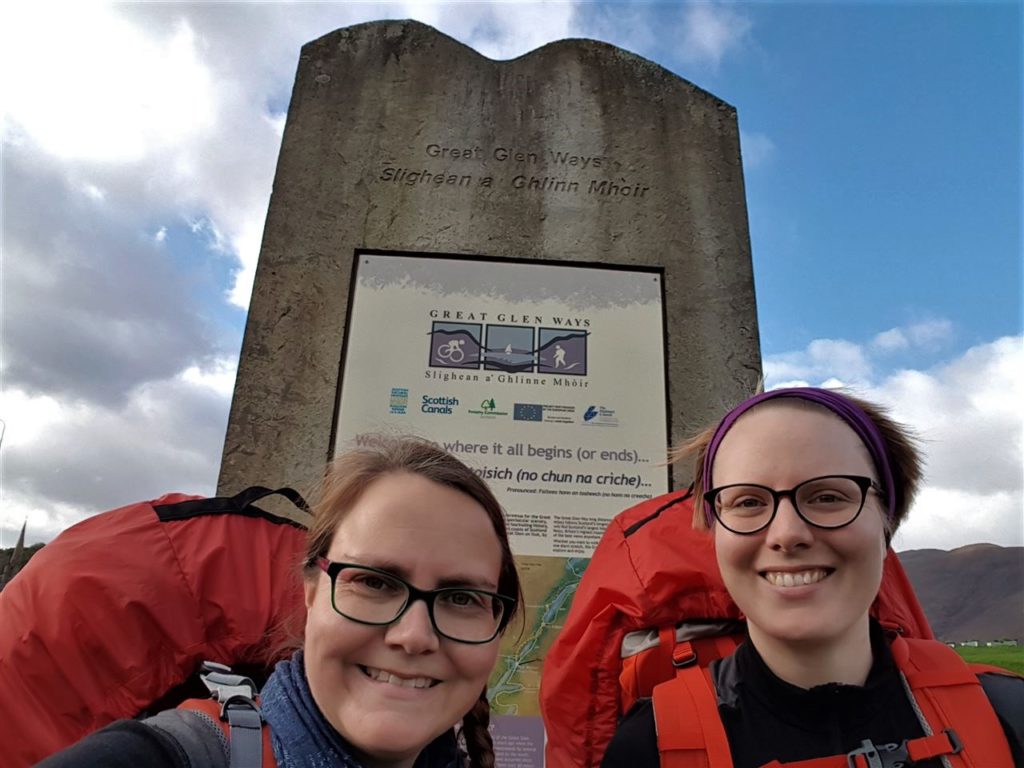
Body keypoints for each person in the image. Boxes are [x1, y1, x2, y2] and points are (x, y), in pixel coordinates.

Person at [39, 435, 522, 768]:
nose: (415, 635)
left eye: (461, 597)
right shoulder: (154, 758)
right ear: (311, 591)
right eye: (375, 583)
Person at [601, 387, 1022, 768]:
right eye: (747, 502)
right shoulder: (648, 749)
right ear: (716, 535)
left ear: (887, 521)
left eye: (827, 496)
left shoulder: (1010, 716)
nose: (787, 534)